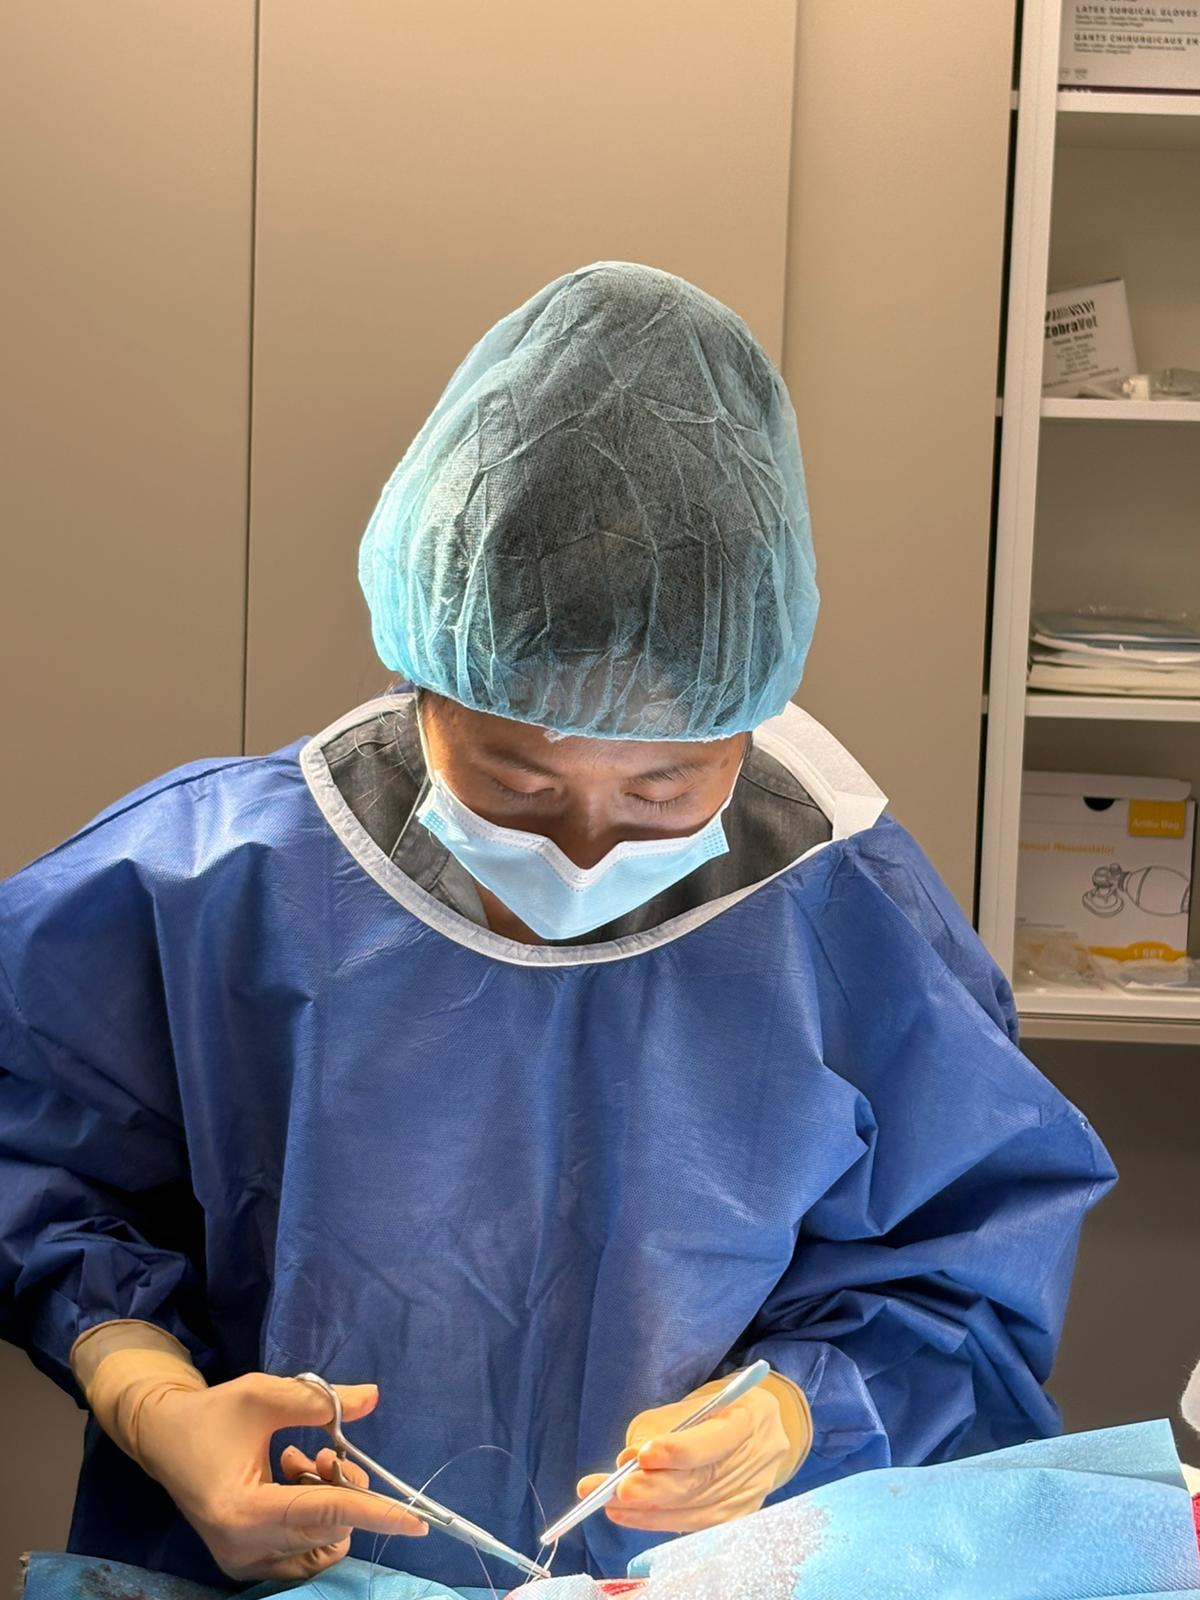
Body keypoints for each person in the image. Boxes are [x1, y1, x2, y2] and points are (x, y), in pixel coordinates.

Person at [0, 262, 1114, 1591]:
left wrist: (792, 1413)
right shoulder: (211, 884)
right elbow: (36, 1175)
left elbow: (964, 1260)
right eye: (516, 785)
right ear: (428, 685)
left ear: (747, 726)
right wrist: (150, 1399)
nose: (585, 847)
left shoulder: (842, 914)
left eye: (663, 791)